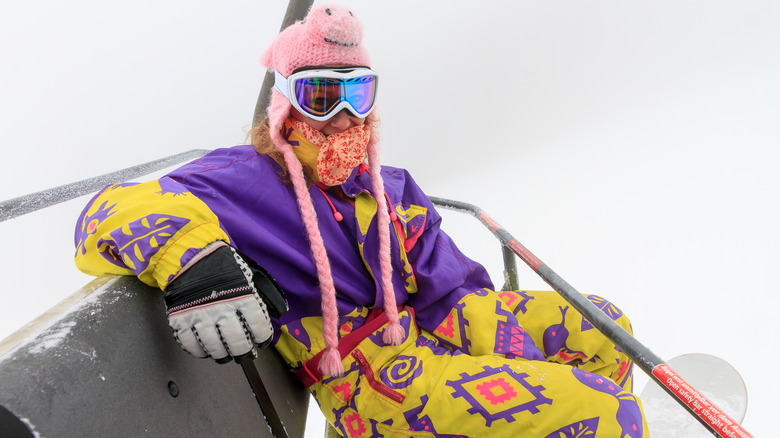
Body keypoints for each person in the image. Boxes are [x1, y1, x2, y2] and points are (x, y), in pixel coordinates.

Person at [74, 4, 647, 437]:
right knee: (606, 406)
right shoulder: (246, 179)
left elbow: (446, 278)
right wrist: (197, 263)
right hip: (367, 378)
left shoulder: (389, 182)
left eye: (360, 91)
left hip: (434, 329)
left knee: (605, 325)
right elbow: (108, 211)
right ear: (286, 105)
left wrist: (482, 336)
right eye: (322, 94)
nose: (345, 115)